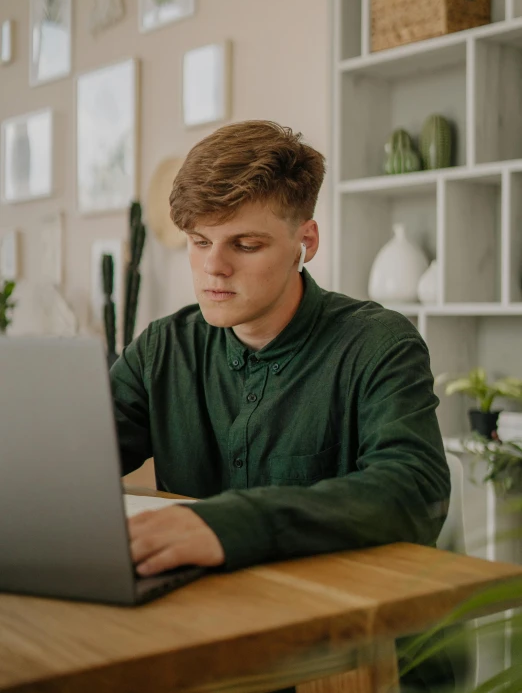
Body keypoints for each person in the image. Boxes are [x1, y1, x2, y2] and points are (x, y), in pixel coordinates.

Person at [110, 120, 453, 692]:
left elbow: (414, 490)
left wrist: (230, 524)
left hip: (345, 651)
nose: (214, 267)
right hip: (203, 637)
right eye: (200, 242)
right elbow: (71, 462)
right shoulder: (163, 348)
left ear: (306, 242)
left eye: (244, 244)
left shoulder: (378, 343)